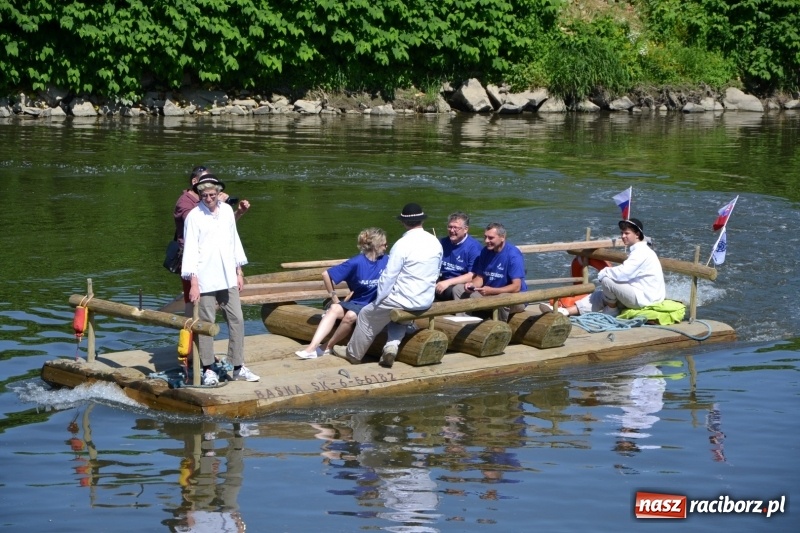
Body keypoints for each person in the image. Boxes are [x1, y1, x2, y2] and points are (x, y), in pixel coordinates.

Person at [333, 203, 443, 368]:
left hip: (404, 299)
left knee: (366, 314)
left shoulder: (402, 244)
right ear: (422, 221)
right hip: (425, 300)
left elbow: (388, 276)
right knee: (398, 319)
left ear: (403, 222)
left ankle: (353, 354)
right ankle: (391, 346)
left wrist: (378, 301)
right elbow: (436, 272)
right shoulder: (435, 243)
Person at [181, 174, 260, 385]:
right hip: (205, 277)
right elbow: (189, 251)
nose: (208, 198)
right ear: (199, 194)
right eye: (204, 195)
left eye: (212, 195)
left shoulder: (226, 211)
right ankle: (208, 368)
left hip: (227, 275)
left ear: (218, 194)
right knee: (206, 323)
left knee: (237, 319)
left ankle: (237, 365)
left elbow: (233, 241)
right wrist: (194, 283)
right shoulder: (194, 217)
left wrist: (239, 271)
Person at [540, 218, 665, 317]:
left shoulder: (641, 252)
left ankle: (611, 310)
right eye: (622, 233)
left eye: (627, 233)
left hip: (646, 298)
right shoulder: (640, 251)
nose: (623, 236)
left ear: (637, 234)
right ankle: (565, 312)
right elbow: (626, 274)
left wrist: (604, 272)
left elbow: (623, 273)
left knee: (607, 279)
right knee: (600, 295)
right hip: (639, 293)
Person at [295, 228, 389, 359]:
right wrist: (334, 298)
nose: (386, 247)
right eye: (385, 244)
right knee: (334, 308)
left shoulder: (387, 261)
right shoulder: (356, 262)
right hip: (357, 302)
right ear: (376, 245)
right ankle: (311, 347)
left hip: (374, 305)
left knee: (350, 315)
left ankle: (326, 347)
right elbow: (326, 274)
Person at [173, 165, 251, 317]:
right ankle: (192, 337)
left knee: (227, 313)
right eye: (205, 192)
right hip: (192, 261)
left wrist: (237, 212)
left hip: (215, 262)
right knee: (193, 304)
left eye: (212, 192)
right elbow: (203, 225)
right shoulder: (186, 204)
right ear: (196, 183)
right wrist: (215, 203)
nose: (208, 197)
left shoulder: (220, 208)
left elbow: (221, 228)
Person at [452, 222, 528, 322]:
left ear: (502, 237)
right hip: (489, 294)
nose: (486, 241)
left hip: (514, 299)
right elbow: (480, 278)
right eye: (485, 237)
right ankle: (464, 323)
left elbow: (516, 287)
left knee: (501, 299)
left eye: (491, 238)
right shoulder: (485, 251)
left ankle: (499, 329)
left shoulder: (513, 255)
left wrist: (492, 291)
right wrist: (471, 285)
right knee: (458, 289)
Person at [434, 211, 482, 301]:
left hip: (459, 284)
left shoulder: (473, 247)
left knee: (451, 291)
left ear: (465, 229)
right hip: (442, 278)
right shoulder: (442, 243)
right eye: (450, 227)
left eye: (455, 228)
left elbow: (472, 275)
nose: (452, 231)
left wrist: (447, 283)